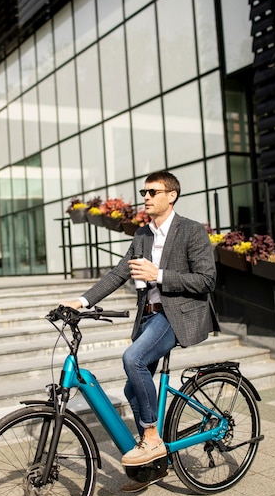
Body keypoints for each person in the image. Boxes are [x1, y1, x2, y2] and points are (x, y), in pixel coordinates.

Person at [62, 170, 218, 468]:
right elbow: (119, 272)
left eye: (152, 192)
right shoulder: (143, 234)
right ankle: (152, 464)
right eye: (144, 192)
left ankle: (151, 437)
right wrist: (81, 301)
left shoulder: (191, 230)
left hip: (178, 315)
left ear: (171, 195)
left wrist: (157, 275)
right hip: (149, 317)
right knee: (131, 389)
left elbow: (206, 280)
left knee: (132, 358)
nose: (145, 197)